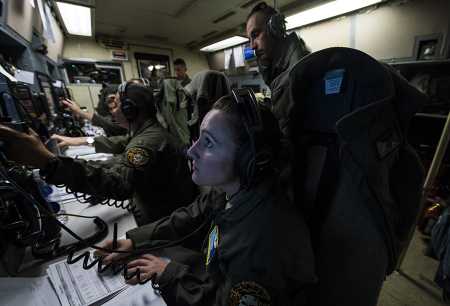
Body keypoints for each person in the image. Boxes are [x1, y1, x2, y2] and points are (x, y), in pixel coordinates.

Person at [95, 90, 316, 305]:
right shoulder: (231, 192)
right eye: (198, 138)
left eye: (208, 142)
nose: (191, 151)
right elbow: (187, 216)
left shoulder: (260, 245)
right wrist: (134, 241)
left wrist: (168, 273)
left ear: (248, 159)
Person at [0, 82, 198, 226]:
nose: (112, 110)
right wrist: (66, 162)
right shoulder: (144, 133)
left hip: (165, 220)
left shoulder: (146, 142)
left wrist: (49, 162)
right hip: (161, 209)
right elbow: (121, 156)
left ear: (131, 110)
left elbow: (120, 185)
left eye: (118, 104)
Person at [246, 2, 309, 136]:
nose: (252, 46)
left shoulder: (296, 74)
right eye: (249, 39)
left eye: (255, 34)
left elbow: (289, 140)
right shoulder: (280, 72)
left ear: (276, 28)